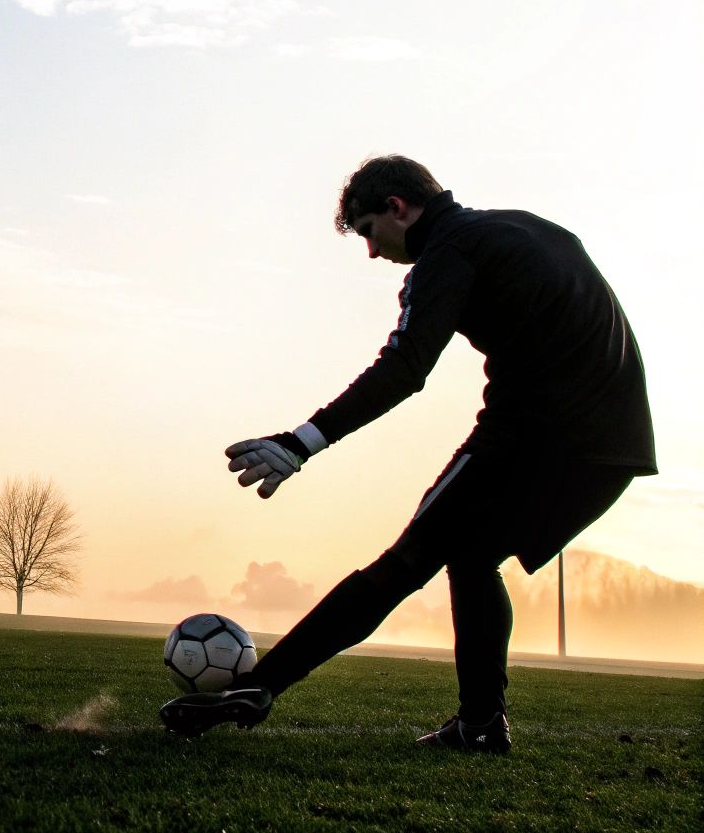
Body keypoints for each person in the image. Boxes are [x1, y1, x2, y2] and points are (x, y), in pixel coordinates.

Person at [159, 156, 656, 753]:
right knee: (471, 559)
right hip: (618, 445)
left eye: (369, 231)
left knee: (409, 558)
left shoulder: (448, 252)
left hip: (537, 433)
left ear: (398, 208)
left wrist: (301, 442)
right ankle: (479, 726)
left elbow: (406, 367)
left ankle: (258, 689)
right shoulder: (524, 227)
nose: (372, 252)